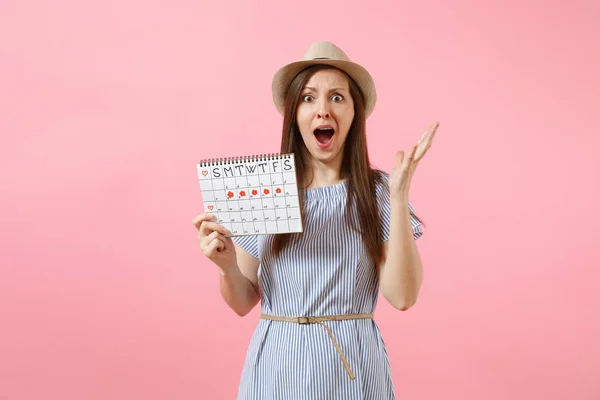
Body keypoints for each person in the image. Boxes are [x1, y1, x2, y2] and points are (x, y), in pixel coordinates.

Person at [192, 41, 438, 399]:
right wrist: (226, 265)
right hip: (276, 368)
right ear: (294, 113)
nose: (322, 110)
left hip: (353, 370)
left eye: (337, 97)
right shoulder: (265, 189)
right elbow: (243, 301)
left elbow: (402, 296)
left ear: (355, 112)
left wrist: (399, 197)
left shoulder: (379, 191)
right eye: (308, 98)